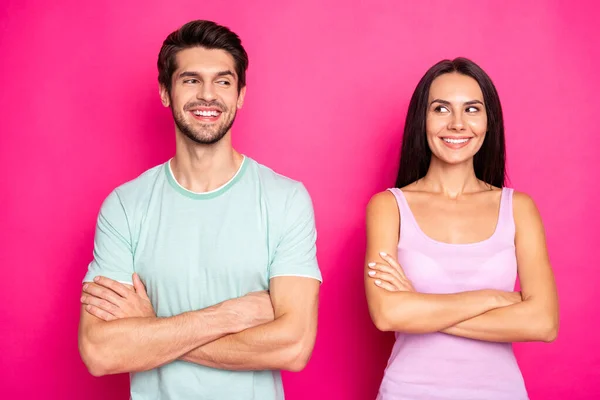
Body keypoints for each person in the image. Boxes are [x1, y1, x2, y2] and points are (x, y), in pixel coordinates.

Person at [77, 20, 322, 400]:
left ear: (240, 94)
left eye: (223, 82)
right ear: (165, 92)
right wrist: (228, 317)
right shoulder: (125, 206)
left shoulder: (285, 199)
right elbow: (99, 351)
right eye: (191, 80)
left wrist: (151, 329)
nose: (207, 95)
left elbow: (293, 347)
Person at [364, 57, 559, 400]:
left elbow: (542, 323)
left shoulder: (519, 209)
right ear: (421, 120)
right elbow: (387, 313)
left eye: (471, 109)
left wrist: (420, 309)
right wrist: (493, 299)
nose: (457, 124)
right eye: (441, 109)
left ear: (488, 122)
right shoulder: (388, 207)